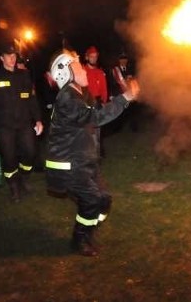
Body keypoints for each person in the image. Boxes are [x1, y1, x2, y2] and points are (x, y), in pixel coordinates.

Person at [45, 50, 139, 256]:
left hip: (84, 160)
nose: (83, 69)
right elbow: (95, 117)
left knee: (104, 200)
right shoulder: (67, 98)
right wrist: (124, 98)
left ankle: (88, 232)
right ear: (64, 73)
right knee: (92, 200)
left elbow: (100, 112)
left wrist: (125, 95)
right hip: (70, 164)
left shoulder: (80, 94)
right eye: (77, 66)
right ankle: (79, 239)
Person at [0, 44, 43, 202]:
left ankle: (24, 178)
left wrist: (38, 119)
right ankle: (14, 188)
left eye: (14, 56)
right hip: (4, 126)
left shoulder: (24, 75)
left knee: (30, 153)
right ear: (1, 58)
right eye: (8, 56)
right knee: (9, 158)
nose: (12, 58)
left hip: (24, 123)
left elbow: (31, 99)